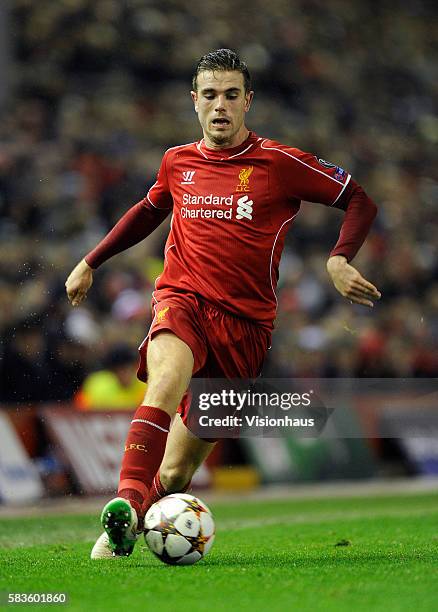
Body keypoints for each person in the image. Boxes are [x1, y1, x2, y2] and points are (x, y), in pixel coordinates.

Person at [65, 49, 381, 558]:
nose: (220, 105)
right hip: (182, 298)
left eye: (231, 95)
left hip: (246, 329)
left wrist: (339, 259)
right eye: (209, 95)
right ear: (194, 102)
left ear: (247, 101)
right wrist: (91, 261)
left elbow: (359, 199)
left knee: (175, 472)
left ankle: (133, 519)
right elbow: (148, 211)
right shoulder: (177, 161)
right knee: (165, 383)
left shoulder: (280, 164)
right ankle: (122, 505)